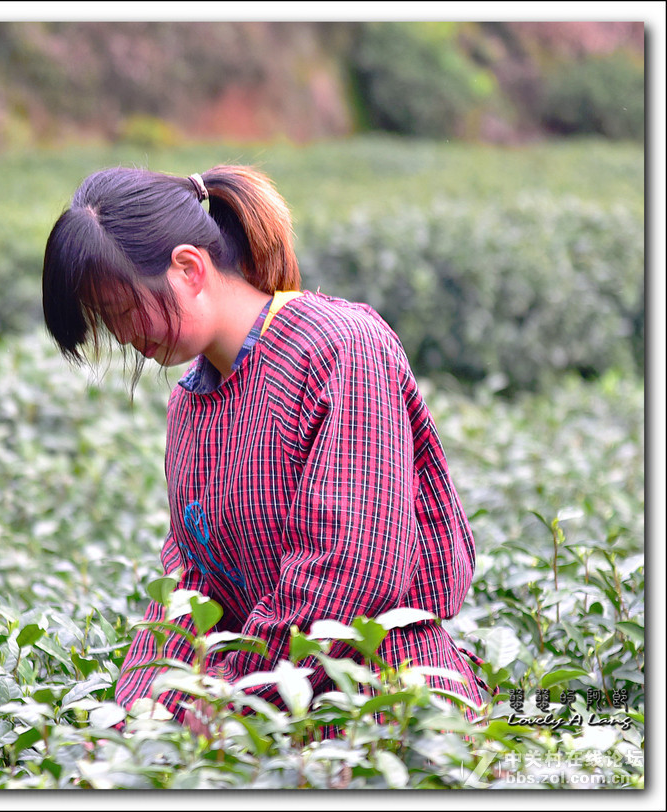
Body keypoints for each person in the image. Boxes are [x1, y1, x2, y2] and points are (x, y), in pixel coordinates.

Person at [40, 164, 489, 735]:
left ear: (188, 268)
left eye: (127, 311)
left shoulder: (342, 349)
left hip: (386, 715)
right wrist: (133, 721)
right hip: (266, 730)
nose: (127, 336)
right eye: (111, 323)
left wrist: (236, 700)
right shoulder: (189, 409)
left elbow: (354, 567)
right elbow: (191, 588)